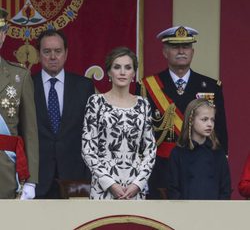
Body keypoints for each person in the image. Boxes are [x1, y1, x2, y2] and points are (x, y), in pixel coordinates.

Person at [138, 25, 228, 199]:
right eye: (174, 46)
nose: (181, 51)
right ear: (165, 52)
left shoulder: (210, 86)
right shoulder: (147, 87)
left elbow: (220, 132)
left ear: (192, 52)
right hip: (160, 169)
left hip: (201, 168)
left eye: (185, 47)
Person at [82, 47, 156, 199]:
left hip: (134, 187)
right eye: (117, 67)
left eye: (128, 67)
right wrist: (110, 184)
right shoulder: (96, 102)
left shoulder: (143, 104)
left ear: (134, 73)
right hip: (103, 187)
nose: (122, 72)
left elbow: (150, 150)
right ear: (109, 72)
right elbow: (88, 149)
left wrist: (138, 184)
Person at [33, 29, 95, 199]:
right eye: (47, 51)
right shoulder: (28, 85)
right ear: (39, 55)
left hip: (75, 178)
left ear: (66, 53)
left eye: (58, 51)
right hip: (37, 179)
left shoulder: (84, 87)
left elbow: (92, 134)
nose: (53, 56)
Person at [0, 7, 39, 199]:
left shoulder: (19, 76)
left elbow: (30, 132)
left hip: (6, 173)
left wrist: (30, 180)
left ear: (3, 36)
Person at [167, 98, 231, 199]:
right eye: (204, 119)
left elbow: (225, 190)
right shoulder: (178, 153)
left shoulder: (218, 153)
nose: (210, 124)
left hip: (214, 212)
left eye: (212, 119)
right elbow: (173, 189)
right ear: (191, 120)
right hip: (185, 212)